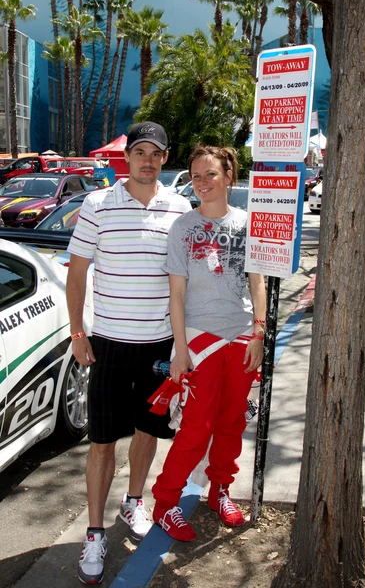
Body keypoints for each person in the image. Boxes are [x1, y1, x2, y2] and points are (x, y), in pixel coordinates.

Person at [66, 121, 191, 585]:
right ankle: (95, 531)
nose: (147, 160)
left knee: (148, 431)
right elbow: (77, 274)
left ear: (163, 158)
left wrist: (183, 345)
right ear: (127, 157)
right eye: (139, 151)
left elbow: (186, 280)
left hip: (160, 347)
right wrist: (78, 333)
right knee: (101, 442)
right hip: (108, 346)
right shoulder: (97, 205)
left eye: (155, 153)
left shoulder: (180, 207)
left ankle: (134, 502)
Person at [152, 145, 266, 542]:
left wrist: (259, 331)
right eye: (196, 176)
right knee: (196, 428)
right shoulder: (183, 227)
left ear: (228, 176)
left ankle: (219, 490)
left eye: (210, 175)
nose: (202, 183)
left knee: (232, 423)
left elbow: (257, 282)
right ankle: (165, 504)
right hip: (201, 339)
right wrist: (181, 350)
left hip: (241, 337)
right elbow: (176, 296)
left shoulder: (249, 223)